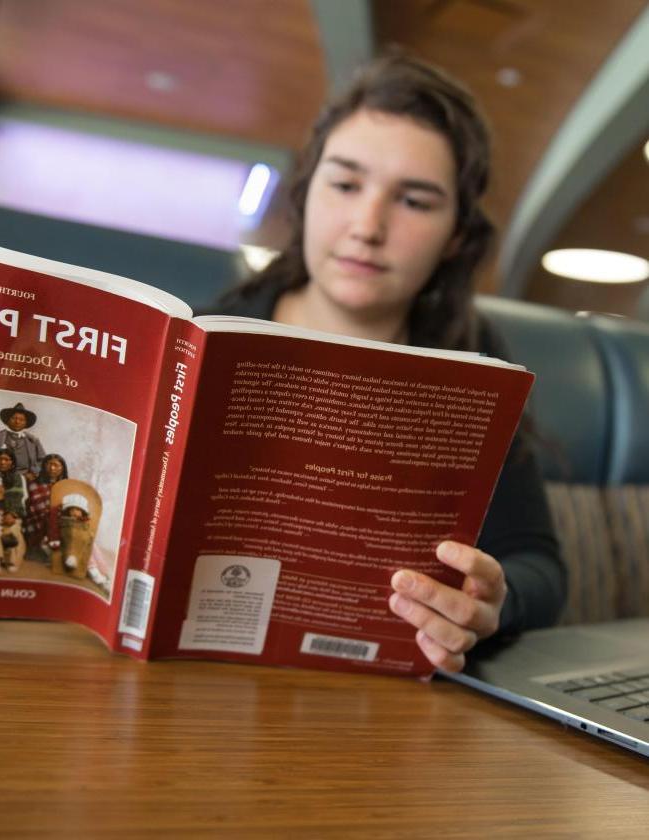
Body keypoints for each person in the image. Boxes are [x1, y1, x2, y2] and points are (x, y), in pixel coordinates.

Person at [207, 49, 566, 672]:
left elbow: (539, 566)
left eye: (416, 201)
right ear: (306, 193)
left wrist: (488, 606)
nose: (367, 225)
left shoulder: (473, 366)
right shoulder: (208, 336)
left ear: (456, 235)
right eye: (346, 184)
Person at [0, 402, 46, 480]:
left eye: (21, 419)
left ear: (25, 423)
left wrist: (33, 473)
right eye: (14, 418)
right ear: (7, 420)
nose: (17, 422)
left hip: (25, 478)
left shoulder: (33, 440)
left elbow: (43, 460)